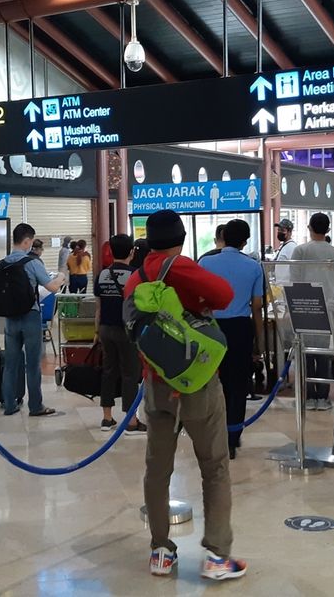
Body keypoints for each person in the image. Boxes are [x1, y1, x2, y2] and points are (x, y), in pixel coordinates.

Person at [124, 209, 245, 581]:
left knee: (157, 470)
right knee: (215, 466)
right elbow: (224, 295)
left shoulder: (136, 278)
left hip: (157, 384)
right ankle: (217, 557)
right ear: (181, 239)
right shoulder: (181, 266)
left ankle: (161, 550)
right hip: (198, 384)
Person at [199, 219, 264, 459]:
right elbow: (256, 307)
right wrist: (259, 340)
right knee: (237, 385)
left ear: (223, 236)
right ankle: (232, 437)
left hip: (211, 328)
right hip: (240, 329)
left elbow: (198, 301)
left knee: (210, 382)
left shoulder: (205, 263)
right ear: (245, 241)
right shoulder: (254, 267)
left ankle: (211, 435)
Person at [2, 223, 66, 417]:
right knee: (32, 363)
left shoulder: (3, 262)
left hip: (10, 319)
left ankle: (9, 405)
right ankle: (35, 406)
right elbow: (52, 287)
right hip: (30, 316)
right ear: (28, 241)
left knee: (11, 364)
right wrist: (61, 276)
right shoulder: (32, 262)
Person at [291, 212, 334, 411]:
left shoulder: (300, 251)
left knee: (305, 353)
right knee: (323, 354)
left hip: (304, 309)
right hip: (328, 309)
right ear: (328, 230)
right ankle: (323, 398)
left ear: (309, 228)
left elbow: (294, 280)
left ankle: (307, 397)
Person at [93, 234, 146, 435]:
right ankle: (131, 421)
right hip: (127, 330)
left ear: (112, 252)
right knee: (130, 374)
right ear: (132, 252)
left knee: (108, 372)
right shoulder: (136, 275)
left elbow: (98, 307)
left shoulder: (102, 275)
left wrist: (96, 332)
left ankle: (107, 418)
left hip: (106, 329)